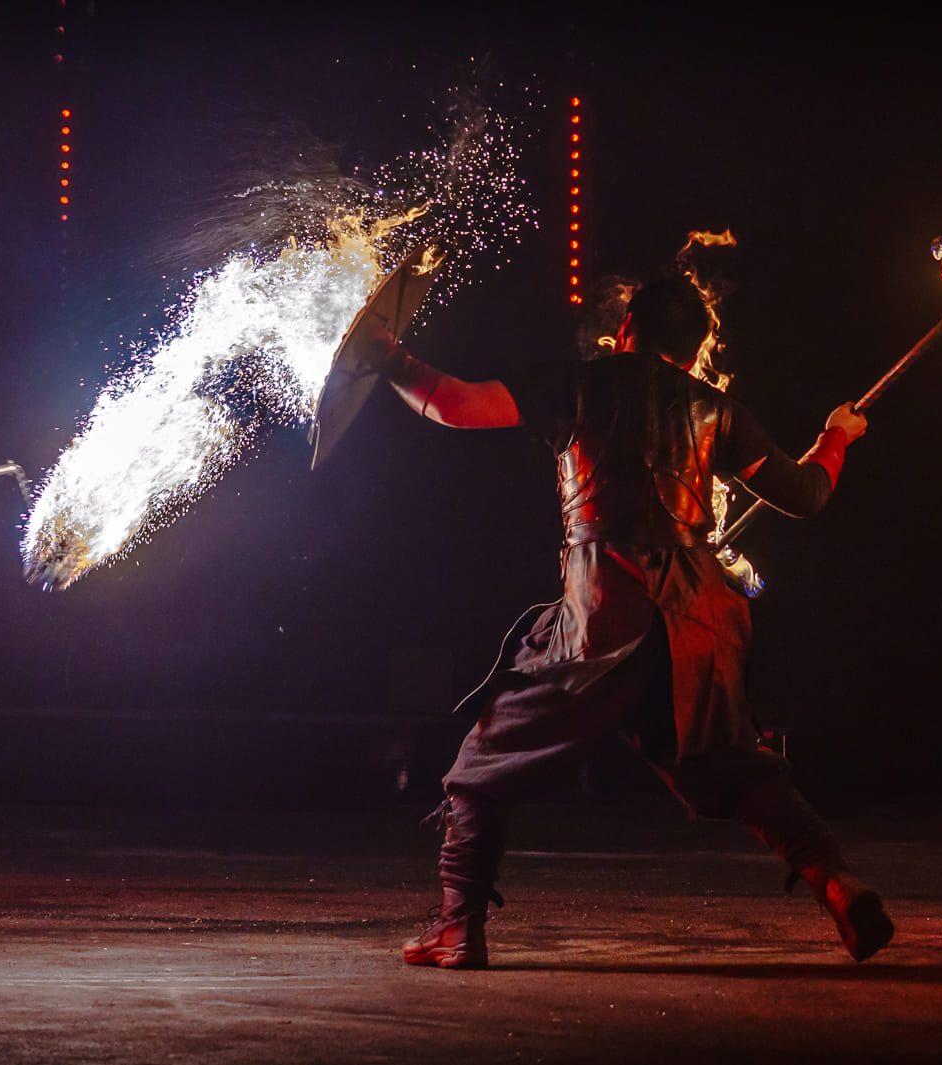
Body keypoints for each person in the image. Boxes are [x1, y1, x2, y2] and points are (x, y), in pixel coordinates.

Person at [370, 274, 893, 969]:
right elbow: (806, 492)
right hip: (701, 617)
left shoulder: (578, 384)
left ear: (627, 331)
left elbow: (454, 405)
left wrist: (385, 356)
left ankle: (458, 929)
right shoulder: (716, 408)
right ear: (694, 350)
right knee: (735, 765)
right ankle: (838, 881)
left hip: (606, 608)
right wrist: (836, 436)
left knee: (477, 768)